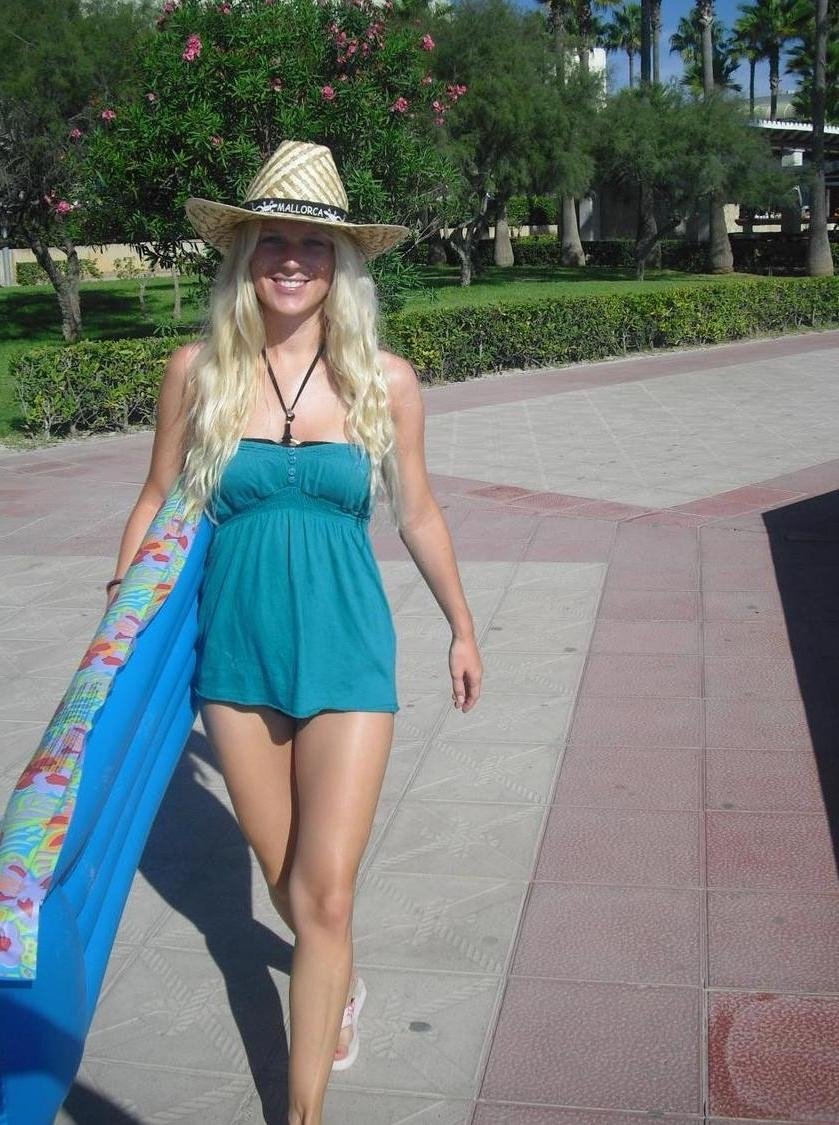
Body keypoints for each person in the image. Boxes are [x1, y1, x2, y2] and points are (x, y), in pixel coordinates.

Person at [105, 139, 482, 1124]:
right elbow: (155, 497)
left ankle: (301, 1108)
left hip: (349, 652)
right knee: (287, 882)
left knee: (327, 898)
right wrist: (118, 620)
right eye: (274, 240)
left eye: (313, 245)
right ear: (246, 255)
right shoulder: (196, 373)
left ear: (338, 264)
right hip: (236, 655)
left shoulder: (383, 381)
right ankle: (337, 979)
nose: (292, 259)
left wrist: (460, 626)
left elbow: (418, 512)